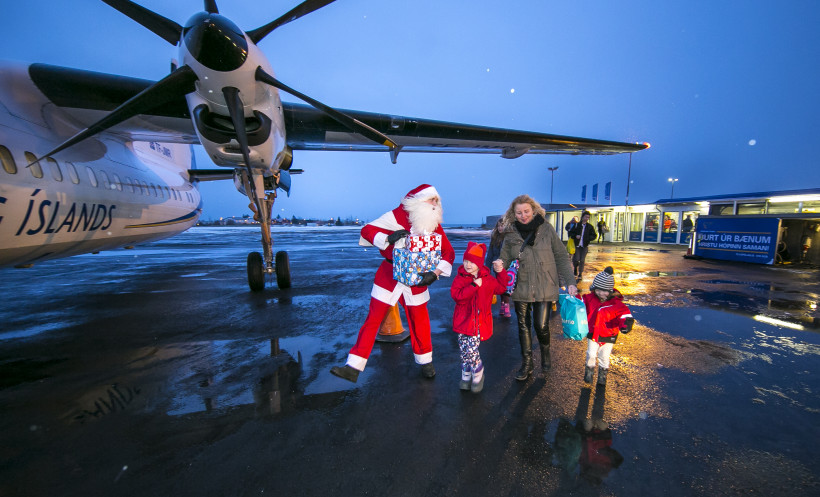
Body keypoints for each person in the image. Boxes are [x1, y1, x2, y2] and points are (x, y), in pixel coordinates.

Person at [330, 184, 455, 383]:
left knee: (420, 321)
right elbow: (367, 230)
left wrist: (435, 273)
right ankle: (353, 366)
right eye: (432, 200)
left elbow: (448, 252)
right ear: (418, 201)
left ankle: (426, 362)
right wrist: (387, 237)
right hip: (389, 275)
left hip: (417, 279)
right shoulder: (395, 216)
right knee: (373, 319)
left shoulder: (433, 224)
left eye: (437, 201)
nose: (435, 205)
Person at [500, 195, 577, 381]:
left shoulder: (546, 229)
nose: (523, 215)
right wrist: (498, 264)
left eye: (526, 211)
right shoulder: (510, 233)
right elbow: (504, 258)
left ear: (533, 210)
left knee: (541, 325)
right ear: (513, 213)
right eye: (519, 212)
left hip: (544, 284)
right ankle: (527, 363)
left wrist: (570, 282)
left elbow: (561, 256)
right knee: (523, 326)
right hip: (521, 286)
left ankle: (545, 352)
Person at [450, 242, 508, 393]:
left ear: (480, 263)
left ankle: (478, 372)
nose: (468, 265)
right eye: (466, 261)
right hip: (463, 321)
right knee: (464, 350)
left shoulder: (487, 279)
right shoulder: (460, 278)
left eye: (472, 262)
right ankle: (466, 373)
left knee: (472, 350)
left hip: (479, 323)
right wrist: (474, 286)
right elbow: (457, 296)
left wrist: (500, 271)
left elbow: (502, 288)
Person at [581, 267, 634, 386]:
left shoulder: (616, 304)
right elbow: (580, 304)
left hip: (608, 333)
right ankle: (588, 374)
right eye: (598, 290)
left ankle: (602, 377)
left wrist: (625, 325)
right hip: (593, 332)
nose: (600, 293)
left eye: (604, 291)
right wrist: (571, 300)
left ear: (610, 291)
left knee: (604, 356)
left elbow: (625, 315)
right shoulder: (589, 299)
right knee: (591, 354)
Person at [486, 218, 511, 317]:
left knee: (506, 287)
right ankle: (502, 305)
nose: (501, 228)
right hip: (497, 266)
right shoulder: (494, 237)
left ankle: (506, 306)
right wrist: (487, 268)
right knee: (501, 287)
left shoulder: (509, 238)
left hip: (507, 266)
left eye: (503, 225)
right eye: (499, 225)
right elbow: (490, 253)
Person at [569, 211, 597, 281]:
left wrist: (588, 238)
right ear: (582, 217)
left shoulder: (589, 227)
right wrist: (575, 236)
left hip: (584, 246)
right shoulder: (577, 225)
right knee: (576, 259)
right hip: (577, 245)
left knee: (582, 260)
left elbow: (594, 235)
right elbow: (570, 233)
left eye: (588, 217)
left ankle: (580, 273)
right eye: (586, 217)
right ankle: (575, 269)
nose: (587, 218)